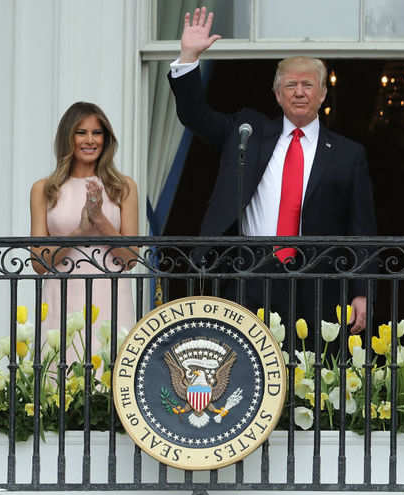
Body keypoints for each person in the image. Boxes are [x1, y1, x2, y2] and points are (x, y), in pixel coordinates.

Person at [168, 7, 377, 335]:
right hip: (252, 275)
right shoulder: (247, 133)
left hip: (319, 281)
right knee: (250, 372)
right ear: (278, 95)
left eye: (308, 85)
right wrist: (188, 58)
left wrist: (362, 291)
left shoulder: (348, 154)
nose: (299, 92)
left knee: (313, 374)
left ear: (322, 94)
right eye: (290, 85)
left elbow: (362, 228)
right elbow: (196, 116)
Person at [30, 102, 138, 364]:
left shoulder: (123, 187)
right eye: (81, 132)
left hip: (111, 294)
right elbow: (38, 262)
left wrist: (100, 221)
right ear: (68, 137)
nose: (90, 140)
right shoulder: (44, 189)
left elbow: (132, 259)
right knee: (60, 377)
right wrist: (79, 230)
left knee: (110, 372)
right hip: (62, 295)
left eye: (97, 133)